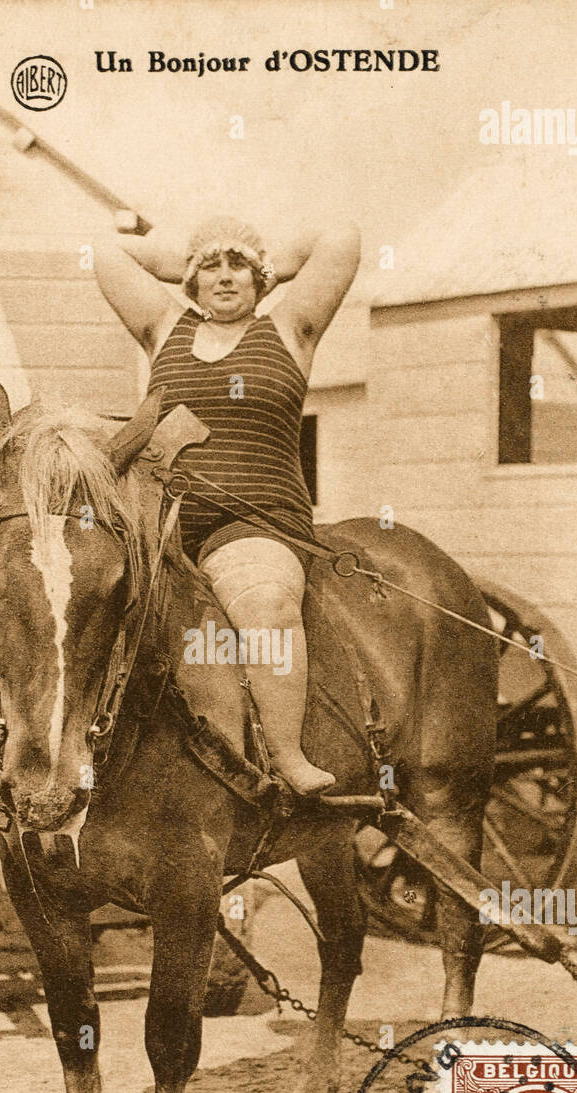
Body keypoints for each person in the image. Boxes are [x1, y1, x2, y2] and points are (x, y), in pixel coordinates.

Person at [93, 213, 361, 794]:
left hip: (256, 522)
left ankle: (287, 756)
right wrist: (185, 256)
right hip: (157, 523)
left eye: (237, 265)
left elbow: (338, 234)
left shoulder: (291, 330)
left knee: (264, 602)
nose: (223, 276)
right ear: (188, 280)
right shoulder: (164, 328)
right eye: (209, 267)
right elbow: (107, 253)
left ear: (262, 278)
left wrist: (261, 255)